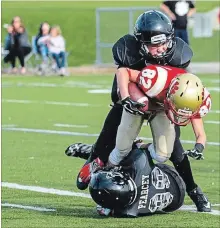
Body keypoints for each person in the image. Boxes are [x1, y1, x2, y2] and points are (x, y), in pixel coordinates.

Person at [65, 10, 211, 212]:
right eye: (154, 45)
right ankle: (94, 159)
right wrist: (126, 98)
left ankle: (194, 191)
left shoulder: (179, 56)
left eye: (164, 43)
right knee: (108, 137)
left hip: (162, 107)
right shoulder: (129, 52)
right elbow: (123, 75)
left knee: (174, 151)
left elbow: (187, 93)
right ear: (141, 43)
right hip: (133, 101)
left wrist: (197, 139)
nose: (160, 50)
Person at [89, 147, 186, 217]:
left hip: (174, 204)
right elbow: (141, 148)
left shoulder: (127, 212)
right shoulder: (139, 164)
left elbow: (108, 209)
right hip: (172, 176)